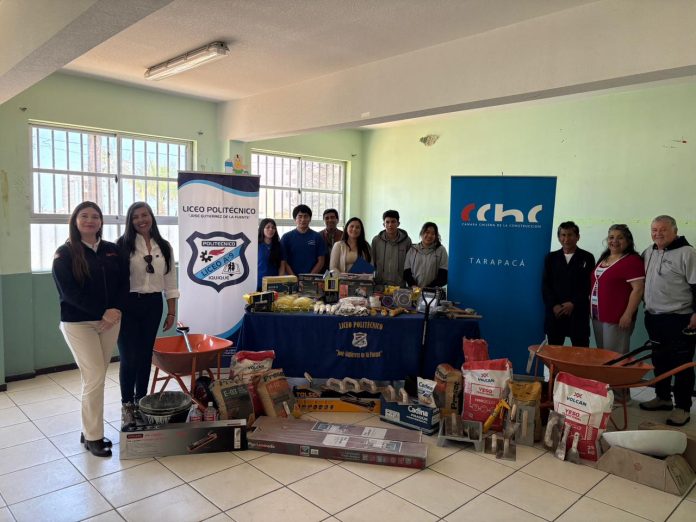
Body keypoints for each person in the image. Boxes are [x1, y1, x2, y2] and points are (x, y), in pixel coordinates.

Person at [52, 202, 129, 457]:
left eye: (95, 216)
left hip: (110, 321)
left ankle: (87, 430)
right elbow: (69, 293)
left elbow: (124, 282)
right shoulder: (64, 254)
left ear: (100, 222)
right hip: (78, 323)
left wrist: (116, 309)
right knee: (95, 375)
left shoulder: (112, 250)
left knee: (94, 377)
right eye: (84, 216)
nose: (90, 220)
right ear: (75, 221)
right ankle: (94, 436)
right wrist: (102, 312)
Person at [116, 202, 179, 428]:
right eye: (135, 217)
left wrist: (171, 311)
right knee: (129, 357)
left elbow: (170, 282)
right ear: (130, 221)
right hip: (128, 305)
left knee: (144, 357)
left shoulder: (164, 246)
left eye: (145, 215)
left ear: (151, 216)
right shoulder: (122, 245)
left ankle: (141, 402)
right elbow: (115, 280)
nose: (141, 220)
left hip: (153, 305)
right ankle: (127, 406)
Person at [639, 215, 696, 426]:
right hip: (653, 317)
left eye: (663, 229)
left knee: (682, 365)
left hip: (679, 319)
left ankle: (682, 407)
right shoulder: (649, 251)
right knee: (659, 360)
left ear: (675, 231)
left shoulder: (688, 253)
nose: (658, 233)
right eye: (654, 230)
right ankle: (663, 398)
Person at [590, 225, 645, 402]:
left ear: (628, 240)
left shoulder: (632, 261)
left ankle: (621, 397)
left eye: (620, 237)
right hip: (598, 315)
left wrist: (628, 314)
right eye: (611, 237)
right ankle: (608, 394)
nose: (614, 241)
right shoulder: (605, 258)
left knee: (617, 357)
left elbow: (638, 289)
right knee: (605, 357)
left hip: (617, 318)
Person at [541, 221, 595, 346]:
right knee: (554, 352)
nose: (566, 239)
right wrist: (554, 305)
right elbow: (546, 285)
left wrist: (573, 303)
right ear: (558, 237)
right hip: (556, 312)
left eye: (570, 235)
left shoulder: (587, 257)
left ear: (577, 237)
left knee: (580, 352)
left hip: (578, 311)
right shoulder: (551, 257)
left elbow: (588, 284)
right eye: (563, 235)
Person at [280, 204, 326, 275]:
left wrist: (309, 277)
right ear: (295, 219)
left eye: (306, 216)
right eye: (300, 216)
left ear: (310, 219)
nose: (303, 219)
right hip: (291, 278)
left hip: (311, 278)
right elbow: (284, 261)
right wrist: (294, 277)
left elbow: (321, 261)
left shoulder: (317, 237)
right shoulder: (286, 238)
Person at [371, 210, 412, 286]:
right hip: (380, 284)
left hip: (399, 284)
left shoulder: (407, 241)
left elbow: (409, 264)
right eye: (387, 222)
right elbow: (372, 262)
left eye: (393, 222)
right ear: (383, 224)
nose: (390, 225)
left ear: (398, 223)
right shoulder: (376, 240)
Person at [404, 222, 448, 288]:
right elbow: (406, 271)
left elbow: (444, 274)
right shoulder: (412, 250)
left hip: (433, 291)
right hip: (414, 290)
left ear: (436, 236)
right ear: (421, 233)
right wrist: (413, 285)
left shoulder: (441, 250)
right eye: (427, 232)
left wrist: (429, 288)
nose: (429, 235)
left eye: (433, 233)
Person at [257, 218, 285, 290]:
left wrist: (280, 282)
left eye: (273, 228)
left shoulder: (279, 246)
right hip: (258, 283)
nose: (271, 229)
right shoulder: (256, 245)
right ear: (262, 229)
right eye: (267, 227)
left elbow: (282, 266)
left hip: (274, 283)